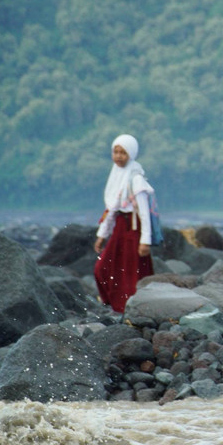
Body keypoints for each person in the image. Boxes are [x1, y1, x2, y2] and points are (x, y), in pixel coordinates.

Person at [93, 133, 155, 312]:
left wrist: (145, 241)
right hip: (120, 227)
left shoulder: (136, 178)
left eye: (123, 153)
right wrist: (101, 235)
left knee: (132, 271)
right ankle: (113, 303)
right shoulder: (116, 174)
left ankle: (132, 308)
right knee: (102, 267)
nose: (118, 156)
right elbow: (111, 209)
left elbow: (144, 213)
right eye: (116, 152)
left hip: (133, 229)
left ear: (131, 154)